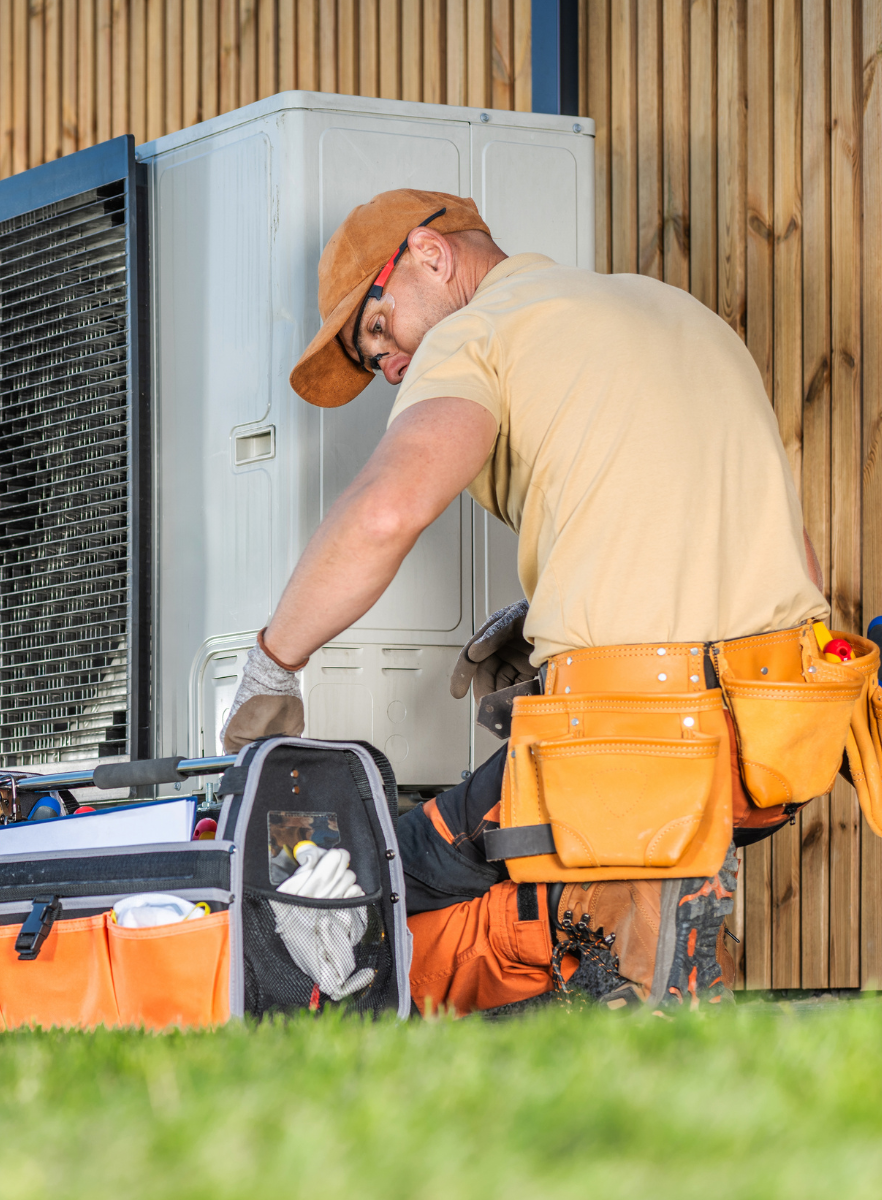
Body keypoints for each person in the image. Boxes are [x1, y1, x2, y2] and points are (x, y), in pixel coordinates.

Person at [220, 188, 838, 1014]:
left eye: (378, 330)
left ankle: (615, 954)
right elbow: (790, 556)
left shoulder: (478, 331)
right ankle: (641, 932)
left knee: (375, 870)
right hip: (776, 740)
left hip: (632, 739)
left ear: (430, 257)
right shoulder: (676, 311)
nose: (391, 366)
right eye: (376, 365)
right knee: (563, 848)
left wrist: (273, 663)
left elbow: (386, 510)